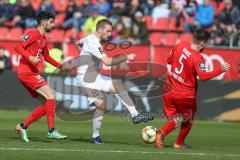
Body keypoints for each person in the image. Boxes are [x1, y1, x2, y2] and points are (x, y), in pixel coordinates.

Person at [75, 19, 154, 144]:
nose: (110, 34)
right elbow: (107, 61)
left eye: (111, 31)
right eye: (108, 31)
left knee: (118, 85)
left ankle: (135, 115)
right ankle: (95, 136)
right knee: (101, 105)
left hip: (95, 76)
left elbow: (78, 42)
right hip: (85, 79)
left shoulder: (89, 38)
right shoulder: (93, 42)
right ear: (100, 30)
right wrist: (126, 57)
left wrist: (80, 49)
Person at [155, 29, 231, 149]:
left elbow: (169, 61)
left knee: (177, 119)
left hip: (169, 89)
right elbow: (203, 76)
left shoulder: (180, 45)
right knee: (188, 119)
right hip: (185, 94)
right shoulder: (198, 58)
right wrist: (220, 69)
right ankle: (174, 141)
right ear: (202, 43)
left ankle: (166, 136)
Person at [14, 11, 70, 142]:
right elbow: (18, 46)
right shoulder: (33, 34)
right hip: (26, 72)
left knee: (47, 105)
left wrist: (62, 67)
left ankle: (23, 126)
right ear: (43, 22)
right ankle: (51, 130)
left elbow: (47, 57)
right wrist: (29, 57)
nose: (53, 24)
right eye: (51, 22)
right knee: (52, 97)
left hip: (32, 73)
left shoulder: (44, 39)